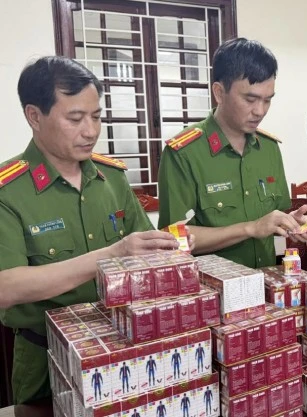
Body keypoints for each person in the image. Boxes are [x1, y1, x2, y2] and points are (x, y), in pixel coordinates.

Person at [0, 56, 182, 405]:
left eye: (96, 117)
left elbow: (146, 250)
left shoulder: (111, 178)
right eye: (75, 119)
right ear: (34, 116)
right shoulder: (9, 192)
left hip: (120, 345)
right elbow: (6, 287)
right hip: (45, 358)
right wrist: (111, 254)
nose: (91, 131)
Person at [158, 38, 307, 268]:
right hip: (210, 286)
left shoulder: (268, 148)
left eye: (267, 100)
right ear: (219, 93)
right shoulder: (184, 153)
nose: (260, 111)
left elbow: (273, 217)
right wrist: (250, 228)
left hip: (265, 281)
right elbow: (172, 238)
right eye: (250, 99)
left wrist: (290, 223)